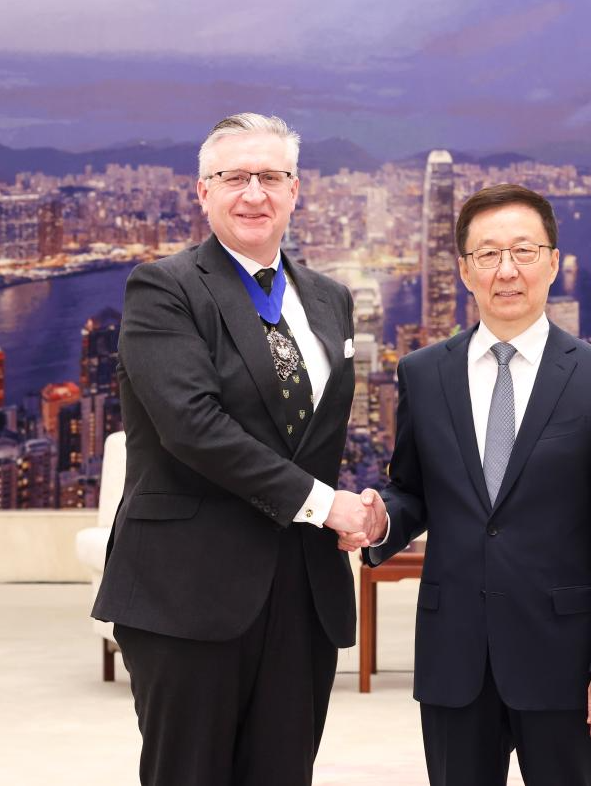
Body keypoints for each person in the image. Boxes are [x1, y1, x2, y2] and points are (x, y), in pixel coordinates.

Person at [92, 112, 383, 786]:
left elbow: (314, 436)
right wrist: (325, 505)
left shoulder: (331, 299)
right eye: (234, 177)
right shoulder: (164, 288)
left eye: (271, 177)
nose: (254, 193)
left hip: (303, 590)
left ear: (295, 190)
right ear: (203, 191)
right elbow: (192, 425)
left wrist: (360, 509)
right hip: (188, 589)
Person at [362, 184, 591, 786]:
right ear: (465, 270)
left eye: (523, 251)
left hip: (562, 657)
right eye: (488, 254)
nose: (507, 270)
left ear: (553, 261)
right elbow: (413, 490)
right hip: (454, 656)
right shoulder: (423, 373)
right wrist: (381, 519)